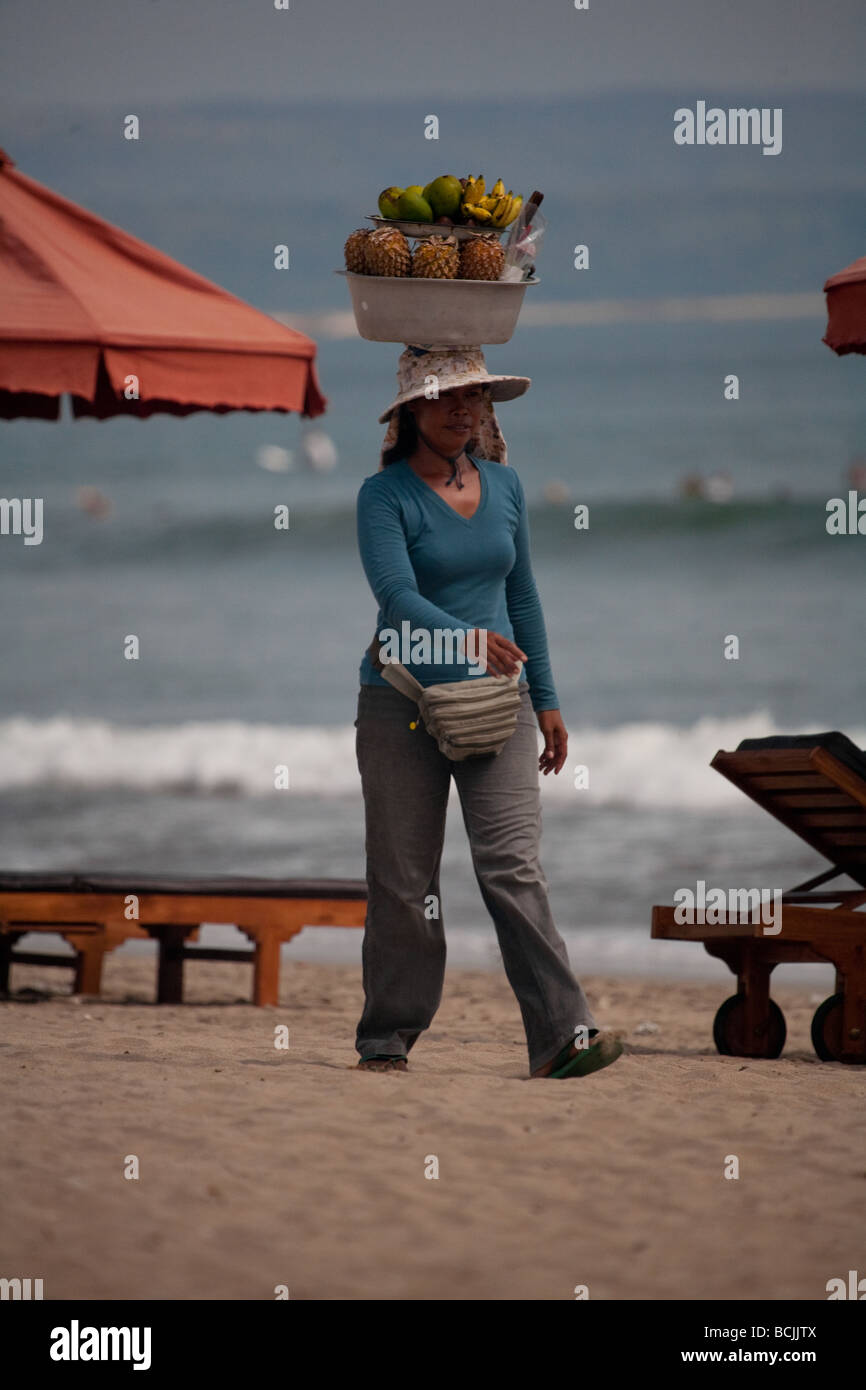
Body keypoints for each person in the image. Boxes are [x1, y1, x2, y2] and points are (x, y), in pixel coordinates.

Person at [353, 344, 623, 1079]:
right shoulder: (384, 497)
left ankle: (562, 1037)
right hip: (400, 702)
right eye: (445, 398)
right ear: (411, 409)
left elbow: (524, 596)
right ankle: (388, 1034)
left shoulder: (505, 486)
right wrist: (469, 638)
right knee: (405, 883)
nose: (461, 411)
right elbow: (397, 597)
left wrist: (549, 699)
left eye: (473, 399)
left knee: (512, 868)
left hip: (498, 704)